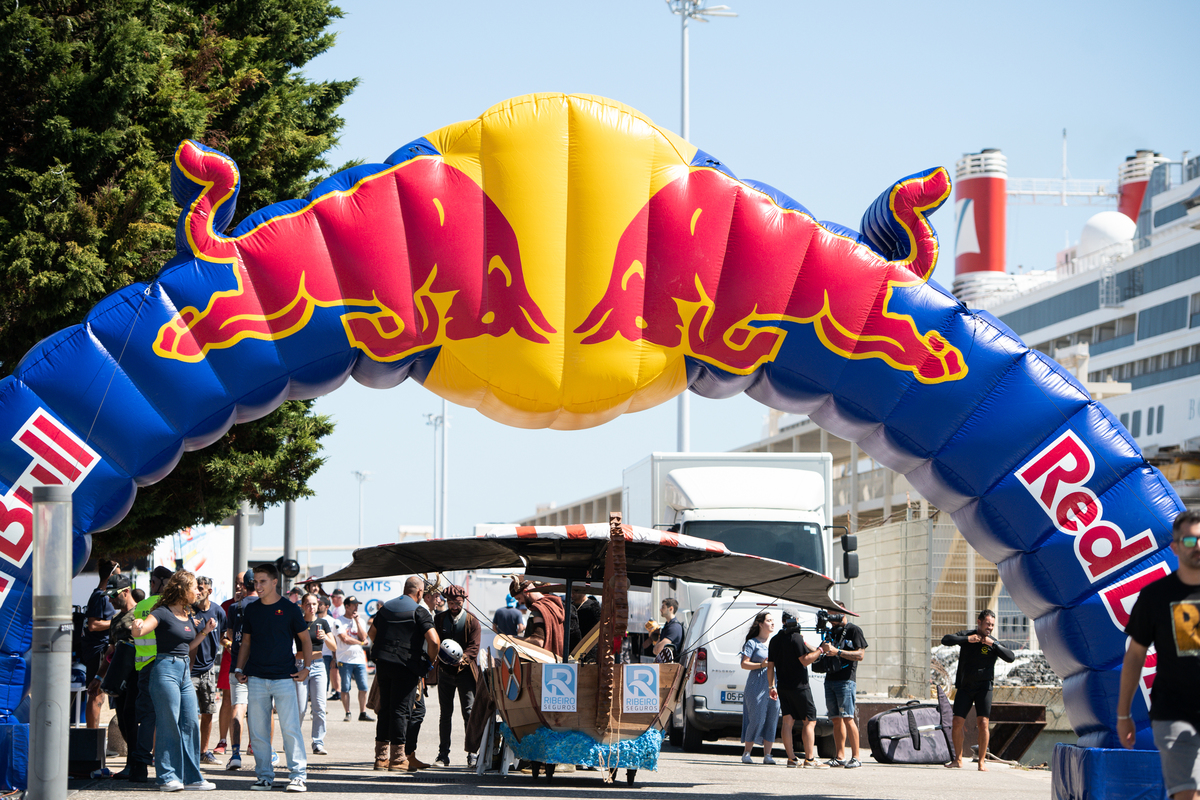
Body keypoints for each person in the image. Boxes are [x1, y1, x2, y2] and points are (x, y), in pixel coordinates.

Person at [1118, 509, 1200, 800]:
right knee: (1188, 794)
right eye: (1190, 542)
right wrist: (1123, 713)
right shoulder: (1155, 595)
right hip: (1174, 711)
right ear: (1175, 547)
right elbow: (1135, 656)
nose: (1198, 547)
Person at [130, 570, 218, 791]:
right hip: (164, 670)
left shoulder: (187, 614)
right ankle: (167, 777)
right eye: (195, 588)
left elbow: (186, 647)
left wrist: (205, 632)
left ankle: (192, 777)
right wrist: (137, 626)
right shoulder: (161, 612)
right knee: (169, 723)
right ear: (182, 589)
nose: (198, 591)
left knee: (190, 723)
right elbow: (141, 630)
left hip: (183, 671)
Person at [235, 562, 313, 792]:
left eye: (262, 581)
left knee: (291, 729)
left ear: (275, 582)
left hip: (284, 677)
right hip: (256, 678)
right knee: (258, 732)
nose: (257, 586)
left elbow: (305, 640)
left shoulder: (290, 609)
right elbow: (246, 642)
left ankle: (298, 776)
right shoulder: (251, 609)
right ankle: (264, 777)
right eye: (255, 582)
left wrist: (307, 667)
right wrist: (239, 669)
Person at [368, 575, 439, 772]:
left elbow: (371, 632)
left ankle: (380, 758)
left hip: (383, 663)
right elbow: (434, 641)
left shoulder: (387, 608)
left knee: (385, 709)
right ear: (419, 592)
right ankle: (398, 760)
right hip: (406, 666)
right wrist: (429, 661)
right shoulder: (419, 611)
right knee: (401, 711)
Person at [941, 609, 1015, 770]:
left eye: (992, 625)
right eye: (987, 624)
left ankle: (981, 762)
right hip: (965, 686)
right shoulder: (968, 636)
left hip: (984, 688)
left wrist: (993, 644)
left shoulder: (993, 642)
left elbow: (1010, 657)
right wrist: (968, 639)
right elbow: (945, 640)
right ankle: (958, 760)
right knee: (957, 722)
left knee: (983, 723)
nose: (989, 627)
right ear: (979, 622)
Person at [87, 573, 137, 777]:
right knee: (124, 718)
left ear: (126, 592)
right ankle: (131, 763)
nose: (111, 599)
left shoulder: (142, 614)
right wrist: (98, 677)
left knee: (133, 717)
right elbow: (111, 651)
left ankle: (136, 763)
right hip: (120, 677)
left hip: (139, 674)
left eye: (114, 595)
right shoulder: (116, 620)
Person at [129, 565, 175, 783]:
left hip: (143, 668)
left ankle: (139, 766)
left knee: (147, 718)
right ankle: (169, 768)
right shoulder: (169, 607)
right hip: (165, 666)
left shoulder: (141, 607)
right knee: (169, 717)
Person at [766, 610, 825, 768]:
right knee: (810, 721)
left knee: (787, 721)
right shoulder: (797, 638)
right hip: (800, 687)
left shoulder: (775, 640)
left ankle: (791, 759)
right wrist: (820, 650)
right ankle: (810, 759)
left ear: (783, 621)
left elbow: (770, 666)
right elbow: (805, 661)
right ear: (796, 620)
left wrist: (771, 686)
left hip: (782, 686)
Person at [433, 585, 481, 768]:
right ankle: (443, 755)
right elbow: (433, 641)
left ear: (464, 601)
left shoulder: (472, 621)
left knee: (468, 713)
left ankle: (472, 754)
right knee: (445, 714)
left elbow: (474, 647)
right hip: (445, 673)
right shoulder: (439, 619)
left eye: (458, 603)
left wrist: (462, 660)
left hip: (466, 674)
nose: (454, 606)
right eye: (451, 603)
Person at [818, 610, 868, 768]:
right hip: (830, 679)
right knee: (835, 719)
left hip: (846, 680)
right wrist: (807, 644)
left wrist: (838, 652)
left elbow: (860, 655)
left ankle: (857, 757)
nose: (831, 619)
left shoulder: (854, 630)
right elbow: (822, 651)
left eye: (833, 614)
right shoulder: (831, 632)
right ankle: (840, 757)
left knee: (848, 718)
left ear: (842, 614)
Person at [191, 575, 227, 765]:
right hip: (189, 670)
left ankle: (204, 752)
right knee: (187, 714)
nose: (198, 591)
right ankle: (188, 751)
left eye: (201, 588)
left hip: (208, 670)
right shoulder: (188, 611)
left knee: (208, 711)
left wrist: (229, 644)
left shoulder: (218, 611)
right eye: (196, 588)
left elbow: (222, 636)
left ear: (209, 591)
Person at [225, 570, 258, 771]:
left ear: (243, 585)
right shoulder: (265, 605)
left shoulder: (234, 607)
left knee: (238, 707)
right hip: (261, 666)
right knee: (264, 711)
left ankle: (235, 754)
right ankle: (265, 751)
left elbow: (229, 633)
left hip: (237, 664)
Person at [739, 611, 779, 764]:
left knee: (772, 717)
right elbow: (744, 663)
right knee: (756, 718)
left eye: (773, 620)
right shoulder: (752, 643)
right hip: (757, 684)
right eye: (769, 620)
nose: (772, 623)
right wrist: (762, 665)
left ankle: (768, 755)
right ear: (761, 624)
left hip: (774, 685)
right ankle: (747, 752)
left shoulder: (775, 642)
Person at [82, 559, 118, 728]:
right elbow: (93, 624)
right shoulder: (99, 596)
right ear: (110, 576)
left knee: (100, 695)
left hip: (103, 649)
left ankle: (94, 739)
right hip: (97, 650)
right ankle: (91, 737)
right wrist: (118, 622)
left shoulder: (104, 596)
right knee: (95, 694)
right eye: (118, 576)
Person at [215, 576, 247, 756]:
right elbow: (221, 635)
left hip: (252, 659)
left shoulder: (256, 604)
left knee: (251, 703)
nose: (238, 586)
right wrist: (228, 644)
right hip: (230, 657)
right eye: (236, 582)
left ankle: (251, 743)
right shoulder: (227, 606)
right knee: (227, 699)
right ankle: (222, 740)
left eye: (242, 583)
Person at [297, 593, 331, 756]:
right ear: (302, 606)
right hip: (300, 664)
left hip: (318, 665)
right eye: (308, 604)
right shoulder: (297, 622)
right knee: (300, 708)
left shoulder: (323, 623)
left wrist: (325, 637)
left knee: (319, 707)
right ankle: (294, 740)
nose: (311, 607)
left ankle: (318, 742)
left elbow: (334, 647)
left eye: (314, 604)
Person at [335, 597, 373, 722]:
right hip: (344, 659)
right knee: (345, 687)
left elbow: (364, 636)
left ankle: (363, 712)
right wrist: (361, 643)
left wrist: (357, 621)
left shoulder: (360, 620)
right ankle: (348, 712)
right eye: (353, 605)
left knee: (363, 687)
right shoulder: (339, 621)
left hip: (359, 660)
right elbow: (344, 639)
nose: (356, 607)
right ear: (347, 606)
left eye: (357, 604)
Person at [509, 577, 565, 655]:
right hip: (557, 658)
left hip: (545, 662)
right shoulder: (551, 603)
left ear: (526, 592)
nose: (520, 602)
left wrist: (513, 639)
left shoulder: (538, 608)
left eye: (519, 598)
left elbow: (538, 641)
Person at [327, 589, 345, 701]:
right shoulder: (337, 609)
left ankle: (338, 691)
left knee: (335, 668)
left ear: (339, 598)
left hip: (338, 642)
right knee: (334, 668)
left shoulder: (340, 610)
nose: (332, 599)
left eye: (334, 597)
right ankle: (336, 689)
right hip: (337, 641)